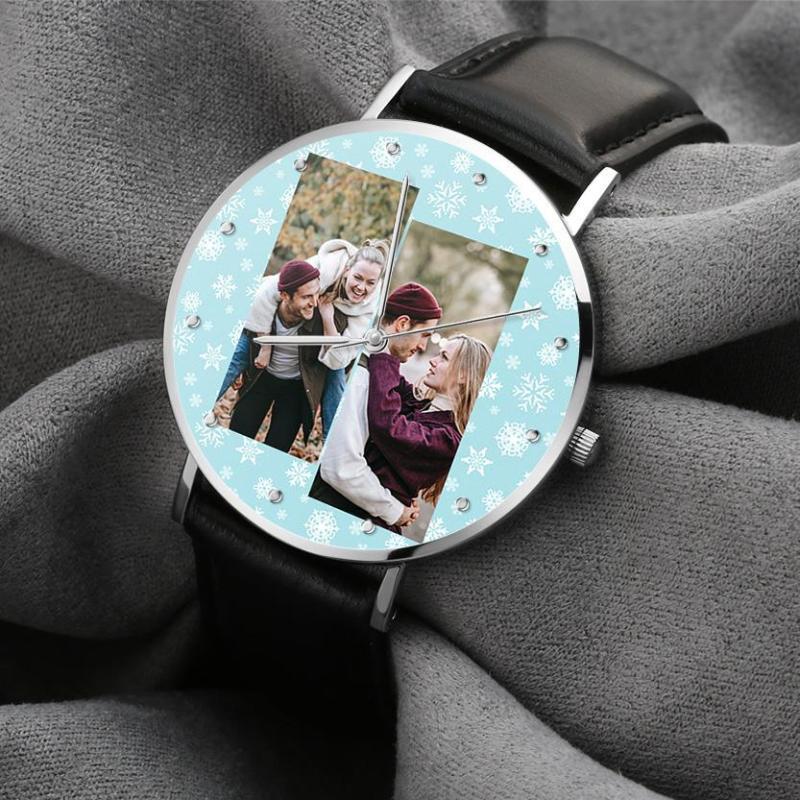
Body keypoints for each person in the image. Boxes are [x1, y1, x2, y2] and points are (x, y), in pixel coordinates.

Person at [311, 282, 443, 529]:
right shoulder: (362, 376)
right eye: (424, 335)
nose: (423, 347)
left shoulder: (379, 370)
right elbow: (340, 466)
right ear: (402, 324)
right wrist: (394, 510)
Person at [243, 239, 389, 433]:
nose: (362, 287)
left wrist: (328, 319)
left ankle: (331, 438)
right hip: (263, 319)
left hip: (327, 343)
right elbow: (268, 291)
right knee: (244, 340)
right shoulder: (325, 268)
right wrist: (266, 346)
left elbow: (339, 360)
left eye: (370, 283)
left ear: (377, 283)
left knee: (338, 378)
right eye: (358, 278)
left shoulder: (370, 307)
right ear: (347, 270)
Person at [364, 333, 492, 537]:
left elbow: (388, 427)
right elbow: (390, 378)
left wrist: (382, 356)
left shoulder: (449, 439)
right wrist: (386, 340)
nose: (433, 360)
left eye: (444, 357)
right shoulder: (421, 404)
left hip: (372, 524)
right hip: (362, 504)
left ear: (463, 376)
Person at [228, 259, 328, 452]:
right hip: (261, 379)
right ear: (284, 295)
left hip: (295, 389)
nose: (314, 302)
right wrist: (241, 367)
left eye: (316, 294)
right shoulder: (262, 314)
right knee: (237, 437)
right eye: (306, 297)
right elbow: (243, 335)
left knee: (277, 449)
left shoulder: (319, 319)